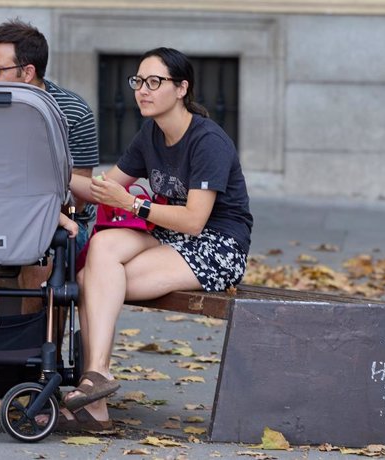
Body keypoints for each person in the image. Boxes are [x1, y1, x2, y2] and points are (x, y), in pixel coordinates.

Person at [60, 47, 254, 429]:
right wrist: (48, 170)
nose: (142, 91)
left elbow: (196, 221)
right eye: (138, 82)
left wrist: (133, 205)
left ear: (182, 88)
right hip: (167, 232)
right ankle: (96, 379)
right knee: (102, 248)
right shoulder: (151, 133)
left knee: (90, 281)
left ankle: (94, 396)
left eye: (155, 82)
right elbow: (104, 189)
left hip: (217, 245)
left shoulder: (207, 140)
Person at [0, 18, 99, 320]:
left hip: (57, 223)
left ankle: (31, 349)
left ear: (28, 72)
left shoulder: (74, 111)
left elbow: (81, 199)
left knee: (42, 253)